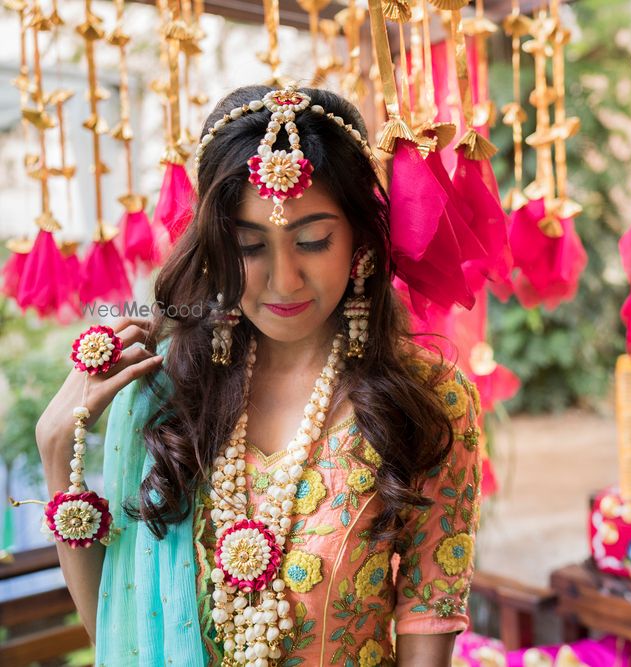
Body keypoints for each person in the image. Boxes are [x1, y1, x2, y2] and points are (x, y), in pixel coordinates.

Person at [34, 84, 483, 667]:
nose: (284, 280)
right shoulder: (172, 394)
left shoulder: (427, 399)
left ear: (360, 243)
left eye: (313, 240)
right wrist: (56, 455)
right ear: (216, 249)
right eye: (249, 246)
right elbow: (121, 639)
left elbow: (429, 615)